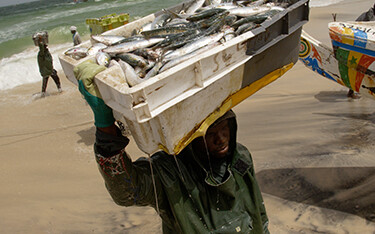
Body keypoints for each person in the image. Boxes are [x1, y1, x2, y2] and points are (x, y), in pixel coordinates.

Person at [74, 60, 269, 234]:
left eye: (225, 128)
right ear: (191, 138)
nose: (221, 139)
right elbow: (126, 192)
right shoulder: (168, 172)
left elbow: (257, 212)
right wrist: (105, 126)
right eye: (209, 134)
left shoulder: (240, 157)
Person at [346, 3, 375, 98]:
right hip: (363, 48)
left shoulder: (365, 15)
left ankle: (353, 91)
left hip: (363, 48)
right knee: (360, 70)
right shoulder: (368, 17)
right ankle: (352, 92)